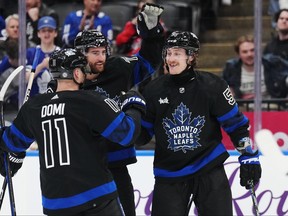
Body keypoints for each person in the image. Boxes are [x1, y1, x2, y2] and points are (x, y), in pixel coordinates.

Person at [0, 48, 146, 216]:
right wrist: (134, 106)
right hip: (96, 197)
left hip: (55, 204)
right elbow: (127, 134)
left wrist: (13, 157)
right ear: (77, 73)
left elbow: (9, 142)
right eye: (84, 70)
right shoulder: (91, 101)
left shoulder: (33, 107)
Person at [136, 31, 262, 215]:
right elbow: (142, 136)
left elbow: (236, 126)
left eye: (177, 53)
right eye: (168, 53)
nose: (170, 58)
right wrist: (129, 116)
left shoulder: (213, 86)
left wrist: (248, 155)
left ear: (192, 56)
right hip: (169, 175)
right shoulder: (153, 90)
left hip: (208, 169)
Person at [73, 4, 164, 216]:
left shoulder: (118, 68)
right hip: (81, 168)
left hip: (115, 164)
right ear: (80, 54)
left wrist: (152, 35)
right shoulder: (68, 79)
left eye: (104, 52)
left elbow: (149, 62)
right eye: (95, 53)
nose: (101, 58)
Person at [222, 34, 269, 99]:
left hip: (271, 107)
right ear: (239, 54)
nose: (249, 54)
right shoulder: (231, 69)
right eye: (245, 52)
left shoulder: (272, 65)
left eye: (252, 50)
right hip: (243, 107)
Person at [263, 9, 288, 98]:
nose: (284, 21)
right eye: (281, 18)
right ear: (276, 22)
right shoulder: (270, 46)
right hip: (274, 89)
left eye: (287, 19)